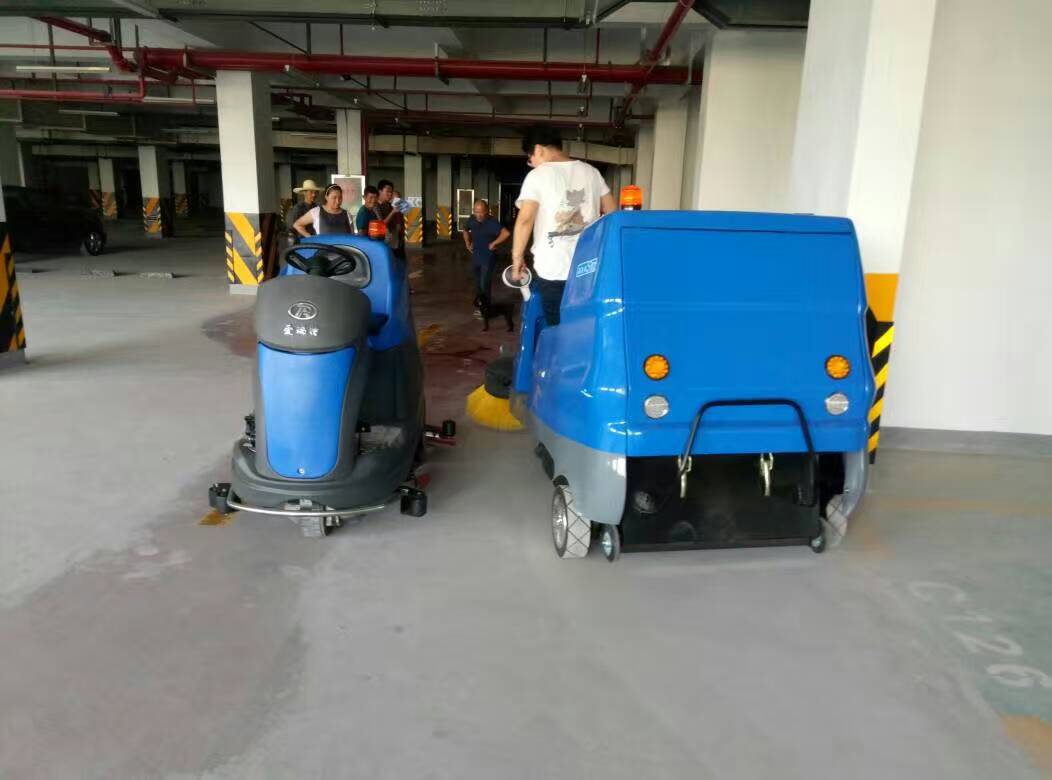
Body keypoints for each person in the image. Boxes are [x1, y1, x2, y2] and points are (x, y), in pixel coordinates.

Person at [511, 125, 616, 326]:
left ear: (538, 150)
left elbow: (525, 220)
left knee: (558, 327)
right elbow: (613, 213)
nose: (531, 164)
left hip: (553, 269)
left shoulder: (538, 176)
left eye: (530, 158)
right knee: (583, 324)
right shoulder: (592, 173)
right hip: (588, 269)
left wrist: (517, 258)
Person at [463, 199, 510, 312]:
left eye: (481, 212)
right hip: (476, 257)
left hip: (488, 259)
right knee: (477, 284)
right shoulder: (472, 219)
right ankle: (481, 303)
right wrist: (467, 243)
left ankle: (486, 308)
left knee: (484, 284)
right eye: (476, 212)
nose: (478, 215)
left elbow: (506, 233)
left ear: (486, 211)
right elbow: (465, 230)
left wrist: (494, 243)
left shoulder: (492, 222)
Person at [375, 179, 406, 260]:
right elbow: (381, 224)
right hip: (386, 243)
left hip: (396, 241)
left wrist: (398, 199)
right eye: (387, 191)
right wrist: (393, 212)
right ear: (380, 191)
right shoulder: (376, 206)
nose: (390, 194)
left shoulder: (388, 204)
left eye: (391, 192)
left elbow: (406, 209)